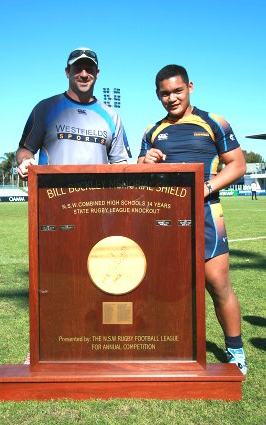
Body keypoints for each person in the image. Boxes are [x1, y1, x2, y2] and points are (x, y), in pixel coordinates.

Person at [138, 64, 248, 375]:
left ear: (190, 87)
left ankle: (235, 351)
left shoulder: (214, 122)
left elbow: (237, 165)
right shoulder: (152, 130)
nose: (171, 98)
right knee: (166, 286)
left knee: (218, 285)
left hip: (207, 214)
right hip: (164, 217)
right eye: (164, 94)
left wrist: (208, 187)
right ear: (157, 95)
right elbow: (139, 172)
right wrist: (145, 161)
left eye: (177, 91)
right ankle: (169, 346)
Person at [16, 47, 131, 179]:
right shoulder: (45, 108)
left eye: (89, 69)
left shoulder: (112, 116)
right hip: (52, 196)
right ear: (67, 72)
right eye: (78, 69)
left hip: (97, 198)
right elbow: (24, 149)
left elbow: (119, 163)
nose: (83, 74)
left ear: (97, 73)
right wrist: (25, 161)